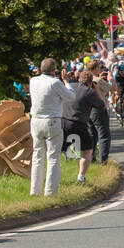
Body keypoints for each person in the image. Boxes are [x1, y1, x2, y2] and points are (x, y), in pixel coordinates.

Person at [29, 58, 74, 196]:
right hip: (52, 120)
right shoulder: (55, 83)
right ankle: (50, 191)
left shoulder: (34, 81)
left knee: (37, 156)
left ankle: (35, 191)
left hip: (36, 120)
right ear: (54, 70)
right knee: (53, 157)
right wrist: (66, 81)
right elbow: (71, 96)